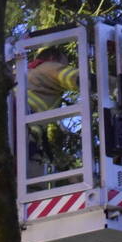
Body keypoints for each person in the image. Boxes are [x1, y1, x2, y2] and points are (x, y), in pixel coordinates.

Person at [25, 47, 81, 176]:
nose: (64, 67)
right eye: (63, 64)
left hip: (22, 133)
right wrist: (115, 86)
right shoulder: (48, 67)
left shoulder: (28, 73)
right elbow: (74, 77)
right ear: (52, 59)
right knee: (33, 184)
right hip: (26, 132)